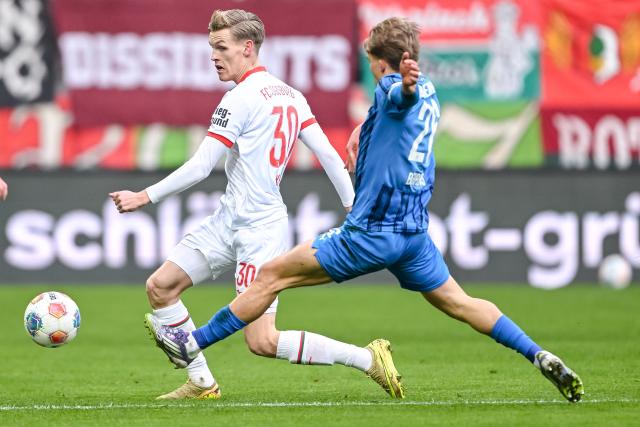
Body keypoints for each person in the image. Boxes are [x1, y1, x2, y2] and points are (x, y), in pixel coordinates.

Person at [149, 17, 585, 403]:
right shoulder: (430, 93)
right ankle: (537, 353)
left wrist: (402, 89)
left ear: (379, 62)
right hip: (413, 235)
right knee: (460, 302)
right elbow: (401, 116)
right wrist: (371, 126)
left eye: (371, 61)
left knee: (269, 277)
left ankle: (191, 342)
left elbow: (399, 98)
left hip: (371, 233)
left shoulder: (395, 87)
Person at [110, 9, 403, 400]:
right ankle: (201, 384)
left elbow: (201, 166)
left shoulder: (240, 98)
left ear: (247, 48)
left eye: (221, 47)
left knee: (262, 341)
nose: (213, 56)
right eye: (211, 47)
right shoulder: (291, 95)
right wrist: (353, 208)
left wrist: (145, 195)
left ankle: (367, 358)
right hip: (228, 220)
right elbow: (331, 158)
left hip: (261, 231)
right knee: (161, 287)